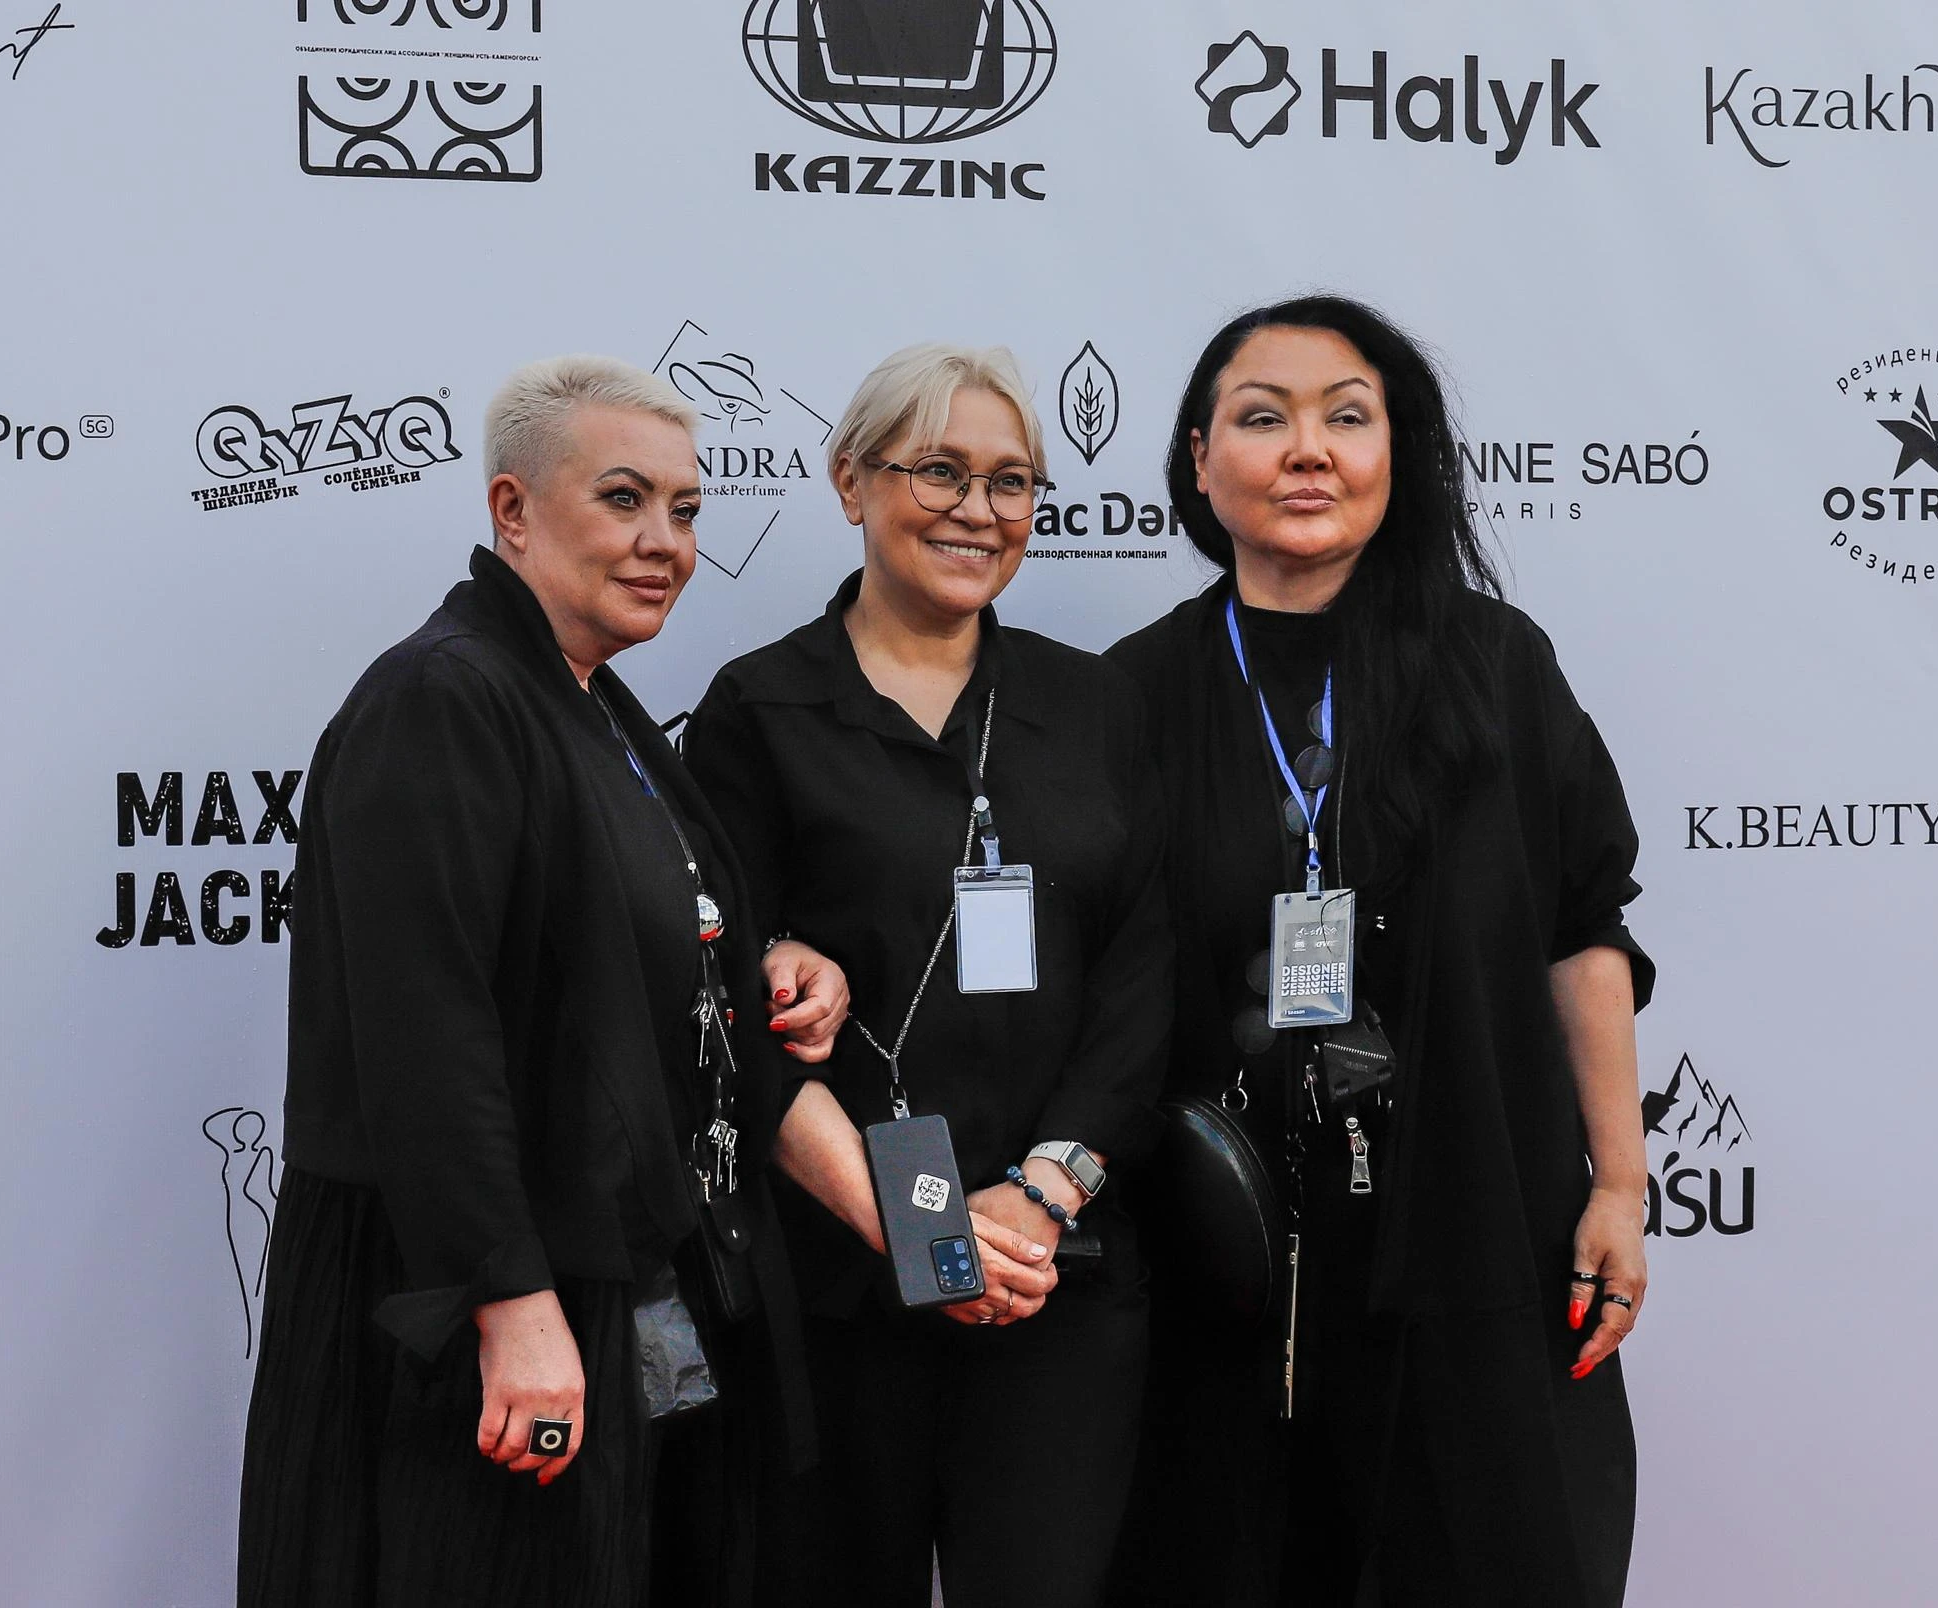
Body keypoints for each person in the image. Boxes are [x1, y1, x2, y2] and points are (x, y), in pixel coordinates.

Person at [234, 355, 848, 1607]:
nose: (664, 541)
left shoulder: (591, 703)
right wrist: (509, 1302)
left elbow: (612, 964)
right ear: (512, 510)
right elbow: (427, 1035)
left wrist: (758, 962)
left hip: (609, 1274)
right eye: (623, 499)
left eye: (685, 508)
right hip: (481, 1291)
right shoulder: (443, 697)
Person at [1105, 297, 1654, 1606]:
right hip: (1216, 1265)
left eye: (1347, 417)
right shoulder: (1132, 692)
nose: (1309, 449)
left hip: (1474, 1232)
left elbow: (1582, 934)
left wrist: (1621, 1188)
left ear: (1396, 454)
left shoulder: (1493, 665)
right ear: (1199, 461)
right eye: (1264, 417)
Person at [682, 344, 1173, 1608]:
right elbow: (721, 1002)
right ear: (850, 481)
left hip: (1055, 1276)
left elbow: (1140, 985)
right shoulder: (758, 710)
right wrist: (918, 1231)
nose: (978, 510)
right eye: (939, 471)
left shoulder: (1095, 704)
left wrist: (1043, 1195)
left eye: (1011, 481)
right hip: (840, 1286)